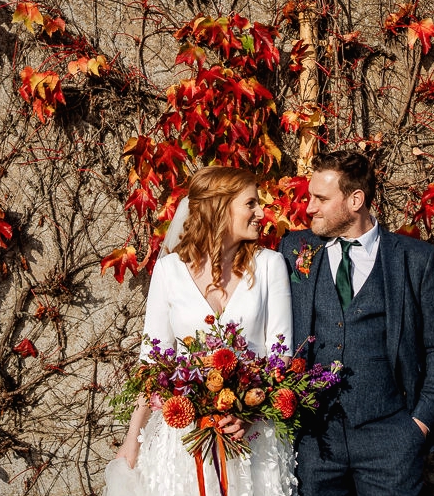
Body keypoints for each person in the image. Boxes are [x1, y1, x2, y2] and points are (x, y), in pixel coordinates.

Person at [105, 166, 296, 496]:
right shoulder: (168, 271)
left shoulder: (269, 266)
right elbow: (152, 362)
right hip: (181, 438)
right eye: (250, 203)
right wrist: (132, 439)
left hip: (250, 438)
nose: (261, 212)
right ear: (220, 207)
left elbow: (281, 358)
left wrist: (248, 415)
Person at [278, 150, 434, 496]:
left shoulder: (413, 259)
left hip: (390, 437)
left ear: (356, 199)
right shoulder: (295, 247)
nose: (309, 208)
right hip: (316, 440)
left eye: (321, 198)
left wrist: (418, 425)